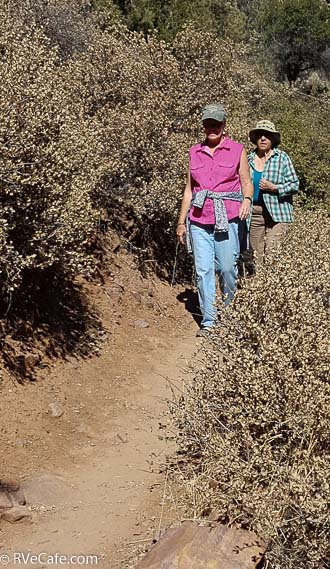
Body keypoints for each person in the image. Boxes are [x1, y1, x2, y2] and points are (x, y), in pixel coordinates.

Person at [176, 103, 253, 337]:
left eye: (216, 124)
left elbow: (246, 181)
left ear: (223, 125)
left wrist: (247, 200)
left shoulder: (237, 149)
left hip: (228, 216)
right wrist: (181, 222)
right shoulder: (193, 152)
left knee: (228, 268)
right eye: (208, 124)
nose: (212, 128)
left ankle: (228, 315)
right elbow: (189, 190)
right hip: (199, 219)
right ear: (203, 126)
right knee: (203, 270)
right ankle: (209, 320)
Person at [248, 120, 299, 263]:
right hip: (255, 212)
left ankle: (272, 283)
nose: (263, 138)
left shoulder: (282, 158)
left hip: (278, 212)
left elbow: (294, 185)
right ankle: (257, 283)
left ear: (273, 139)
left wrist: (275, 188)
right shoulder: (248, 159)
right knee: (255, 254)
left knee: (272, 252)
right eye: (259, 135)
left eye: (267, 135)